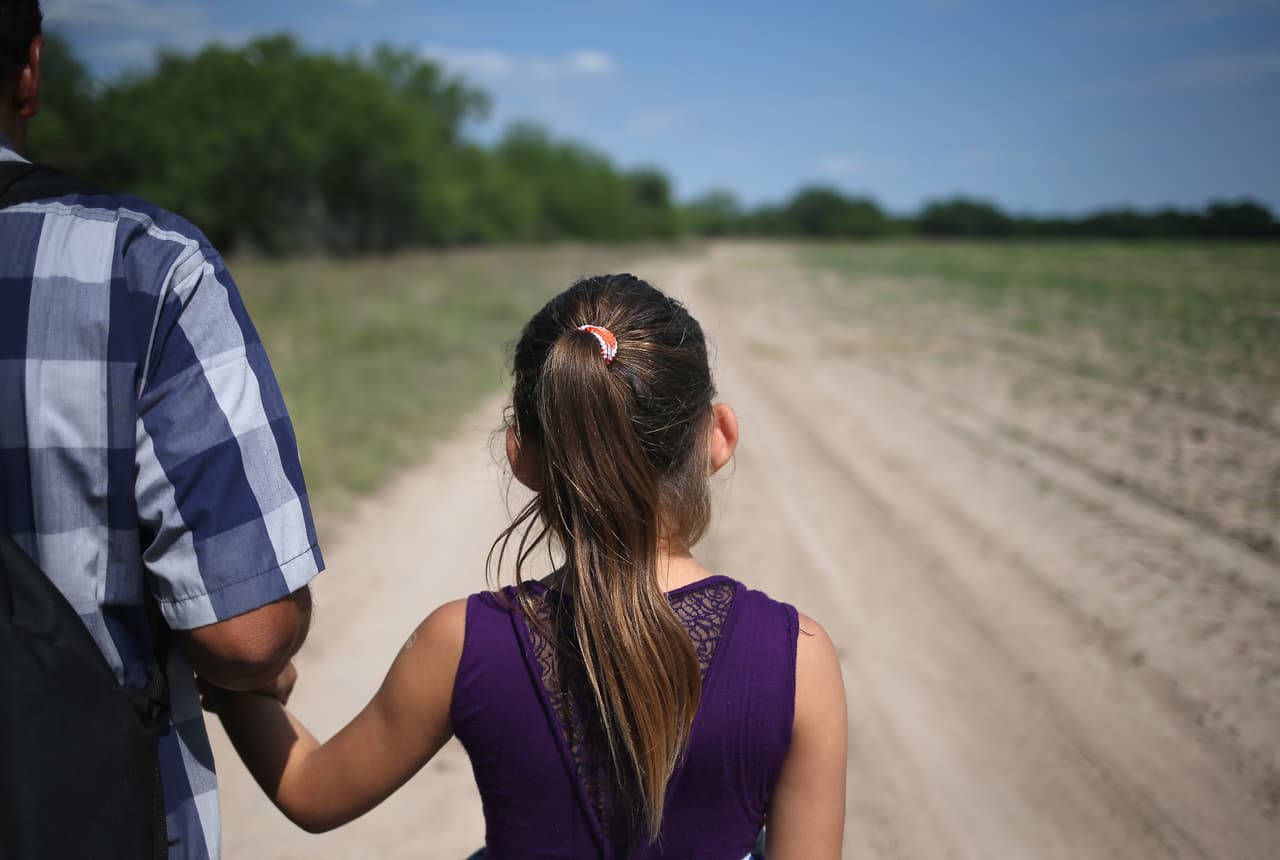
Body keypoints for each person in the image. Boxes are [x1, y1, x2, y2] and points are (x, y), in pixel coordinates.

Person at [207, 274, 848, 858]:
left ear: (521, 455)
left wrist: (245, 692)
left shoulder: (462, 641)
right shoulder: (798, 656)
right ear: (719, 437)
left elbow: (312, 792)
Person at [0, 3, 323, 858]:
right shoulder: (145, 267)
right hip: (84, 812)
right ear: (28, 69)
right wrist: (258, 667)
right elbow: (247, 634)